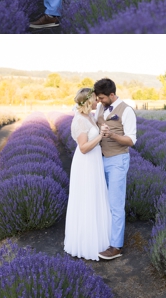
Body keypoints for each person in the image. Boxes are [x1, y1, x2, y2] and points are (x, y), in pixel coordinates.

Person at [63, 88, 112, 260]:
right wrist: (100, 136)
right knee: (87, 199)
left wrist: (102, 129)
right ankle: (86, 243)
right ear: (87, 102)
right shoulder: (79, 121)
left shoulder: (89, 117)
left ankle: (99, 239)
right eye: (94, 99)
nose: (97, 101)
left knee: (96, 197)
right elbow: (83, 148)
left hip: (94, 162)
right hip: (86, 164)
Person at [93, 78, 135, 260]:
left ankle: (116, 247)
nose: (99, 101)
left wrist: (112, 135)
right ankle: (103, 237)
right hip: (100, 159)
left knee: (116, 204)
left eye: (101, 98)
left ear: (112, 95)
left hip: (118, 160)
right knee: (103, 201)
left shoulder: (126, 111)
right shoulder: (101, 108)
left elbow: (131, 140)